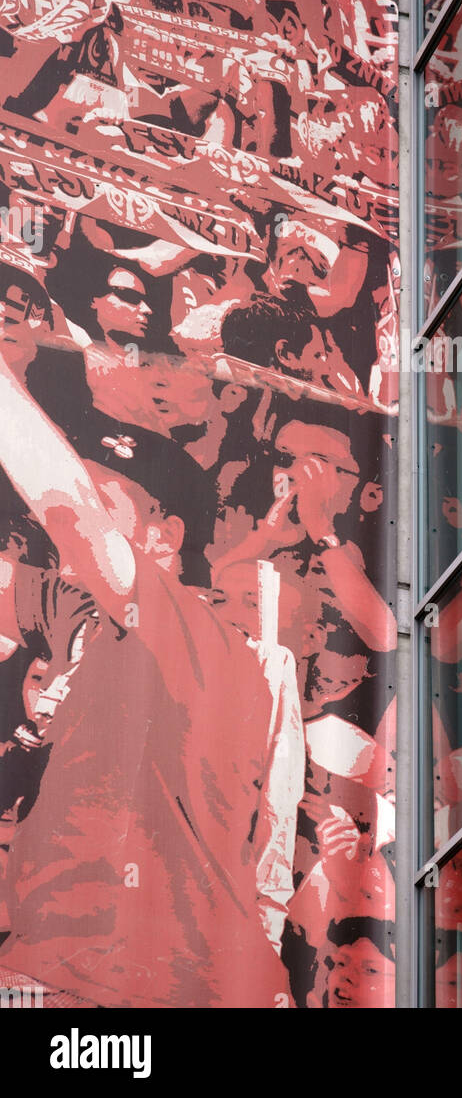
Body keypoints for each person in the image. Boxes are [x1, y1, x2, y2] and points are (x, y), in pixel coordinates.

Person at [0, 314, 304, 1006]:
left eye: (113, 497)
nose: (90, 515)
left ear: (165, 534)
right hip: (52, 971)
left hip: (148, 990)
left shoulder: (194, 636)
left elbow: (67, 508)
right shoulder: (83, 613)